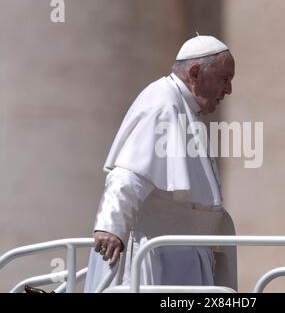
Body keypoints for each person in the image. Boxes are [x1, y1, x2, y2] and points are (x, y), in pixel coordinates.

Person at [84, 35, 237, 292]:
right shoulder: (163, 104)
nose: (229, 90)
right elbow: (129, 174)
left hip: (182, 256)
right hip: (155, 258)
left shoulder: (184, 107)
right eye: (224, 79)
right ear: (196, 72)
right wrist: (111, 226)